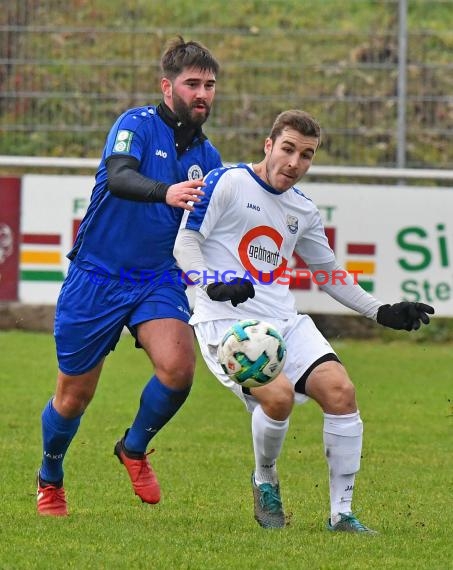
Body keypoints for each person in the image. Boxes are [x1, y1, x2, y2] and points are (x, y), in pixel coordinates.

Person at [173, 109, 434, 533]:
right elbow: (186, 242)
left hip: (284, 321)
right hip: (226, 322)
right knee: (278, 398)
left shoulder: (303, 210)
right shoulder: (227, 182)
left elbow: (327, 271)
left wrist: (380, 310)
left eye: (307, 155)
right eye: (289, 149)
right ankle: (265, 477)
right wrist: (212, 281)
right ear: (268, 145)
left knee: (340, 391)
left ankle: (342, 514)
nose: (295, 163)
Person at [36, 37, 221, 516]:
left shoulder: (211, 158)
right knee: (74, 397)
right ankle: (50, 474)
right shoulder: (135, 124)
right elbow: (119, 176)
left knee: (179, 371)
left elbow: (209, 229)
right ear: (167, 86)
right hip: (97, 275)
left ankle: (133, 447)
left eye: (210, 85)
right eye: (192, 84)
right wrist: (166, 192)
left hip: (157, 278)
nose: (203, 93)